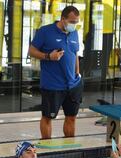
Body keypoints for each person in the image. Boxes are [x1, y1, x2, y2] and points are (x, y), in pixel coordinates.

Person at [29, 6, 83, 139]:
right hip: (52, 85)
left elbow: (75, 53)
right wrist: (48, 56)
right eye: (72, 22)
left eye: (76, 22)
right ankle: (47, 147)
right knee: (47, 117)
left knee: (71, 117)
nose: (74, 25)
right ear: (63, 19)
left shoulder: (74, 33)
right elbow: (31, 51)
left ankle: (69, 148)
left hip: (73, 85)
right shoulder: (45, 31)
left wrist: (77, 73)